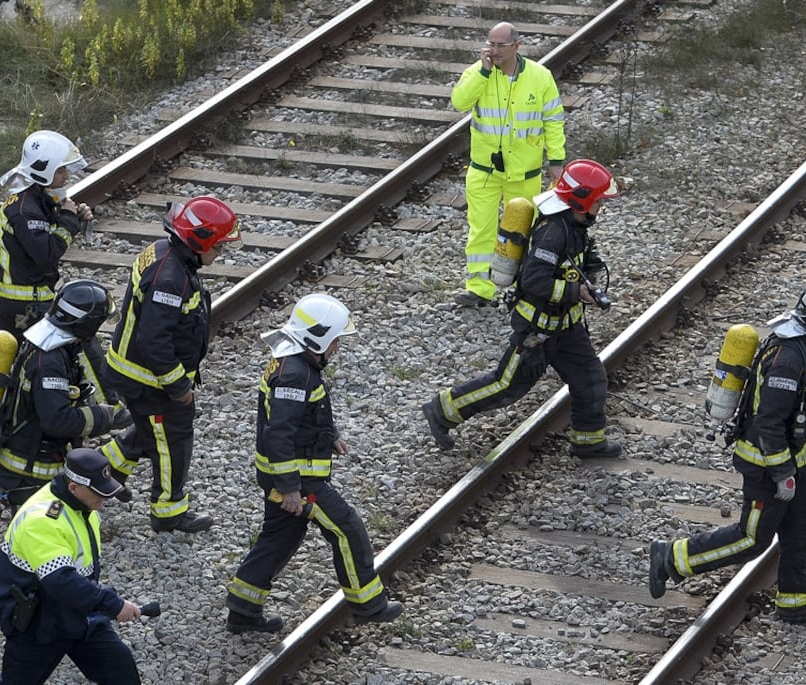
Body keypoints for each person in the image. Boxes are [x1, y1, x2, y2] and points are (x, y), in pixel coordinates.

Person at [647, 283, 806, 625]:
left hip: (795, 460)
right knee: (752, 539)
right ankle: (673, 557)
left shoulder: (805, 350)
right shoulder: (788, 360)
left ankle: (796, 601)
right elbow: (769, 423)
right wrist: (782, 475)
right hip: (767, 465)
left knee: (805, 530)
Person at [0, 279, 119, 630]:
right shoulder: (50, 360)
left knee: (29, 544)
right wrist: (105, 417)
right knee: (34, 547)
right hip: (28, 469)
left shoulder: (54, 344)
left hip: (36, 462)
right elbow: (57, 419)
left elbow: (65, 399)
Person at [225, 294, 403, 632]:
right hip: (298, 479)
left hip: (286, 474)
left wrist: (329, 434)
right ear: (316, 337)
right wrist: (290, 487)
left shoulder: (296, 363)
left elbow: (304, 415)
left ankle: (243, 609)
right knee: (347, 529)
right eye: (335, 339)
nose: (337, 346)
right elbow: (280, 433)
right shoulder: (295, 375)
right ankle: (369, 605)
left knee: (279, 538)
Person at [423, 159, 622, 458]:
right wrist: (575, 291)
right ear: (582, 201)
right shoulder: (553, 232)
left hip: (566, 328)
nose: (601, 208)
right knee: (507, 386)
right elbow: (534, 280)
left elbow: (578, 261)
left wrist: (590, 277)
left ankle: (588, 441)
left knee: (591, 379)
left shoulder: (576, 225)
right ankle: (443, 410)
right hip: (537, 329)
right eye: (599, 202)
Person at [99, 196, 240, 533]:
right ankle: (168, 512)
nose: (220, 254)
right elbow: (154, 340)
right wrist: (179, 387)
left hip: (135, 370)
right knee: (173, 437)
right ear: (198, 240)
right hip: (148, 379)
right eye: (218, 247)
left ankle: (101, 470)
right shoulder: (170, 278)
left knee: (151, 430)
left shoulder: (164, 252)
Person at [0, 130, 127, 424]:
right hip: (25, 302)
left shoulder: (35, 199)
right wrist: (67, 220)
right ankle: (111, 409)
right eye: (61, 170)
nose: (66, 175)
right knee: (81, 340)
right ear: (44, 171)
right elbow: (48, 253)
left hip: (23, 299)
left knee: (14, 363)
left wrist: (71, 216)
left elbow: (46, 237)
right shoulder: (25, 211)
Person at [0, 447, 142, 684]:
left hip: (77, 610)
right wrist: (113, 604)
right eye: (99, 494)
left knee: (120, 669)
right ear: (73, 488)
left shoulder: (81, 505)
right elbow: (60, 580)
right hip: (38, 623)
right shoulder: (43, 521)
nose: (104, 501)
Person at [450, 21, 566, 307]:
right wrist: (483, 72)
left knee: (522, 233)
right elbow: (459, 102)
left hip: (522, 173)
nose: (494, 50)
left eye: (501, 45)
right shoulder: (477, 73)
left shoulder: (540, 77)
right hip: (484, 172)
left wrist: (556, 160)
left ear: (517, 46)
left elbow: (553, 120)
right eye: (491, 43)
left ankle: (525, 286)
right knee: (481, 230)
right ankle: (479, 287)